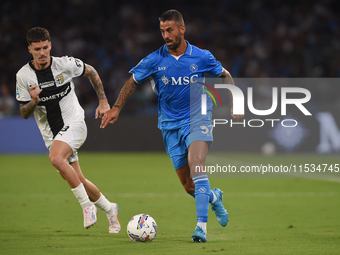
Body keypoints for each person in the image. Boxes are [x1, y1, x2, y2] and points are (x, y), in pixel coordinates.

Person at [101, 10, 243, 242]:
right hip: (169, 124)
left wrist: (235, 102)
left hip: (198, 117)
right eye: (162, 31)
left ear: (182, 29)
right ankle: (214, 198)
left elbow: (225, 75)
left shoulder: (202, 56)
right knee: (189, 185)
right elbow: (132, 81)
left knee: (196, 163)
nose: (166, 35)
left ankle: (201, 227)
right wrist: (116, 107)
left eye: (170, 30)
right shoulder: (154, 59)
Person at [16, 27, 120, 233]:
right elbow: (24, 113)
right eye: (37, 49)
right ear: (30, 49)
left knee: (55, 158)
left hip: (74, 122)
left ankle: (87, 207)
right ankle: (110, 210)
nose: (43, 52)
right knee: (77, 179)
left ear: (50, 45)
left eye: (45, 47)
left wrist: (103, 101)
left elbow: (91, 71)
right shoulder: (23, 76)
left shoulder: (65, 64)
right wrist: (34, 101)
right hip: (52, 135)